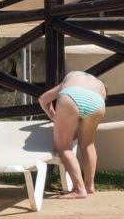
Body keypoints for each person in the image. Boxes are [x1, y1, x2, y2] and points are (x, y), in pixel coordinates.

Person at [38, 69, 107, 198]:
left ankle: (79, 189)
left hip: (71, 95)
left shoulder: (73, 77)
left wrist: (53, 116)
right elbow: (82, 116)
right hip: (97, 102)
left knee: (64, 147)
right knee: (87, 144)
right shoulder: (99, 85)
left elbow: (43, 100)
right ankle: (89, 186)